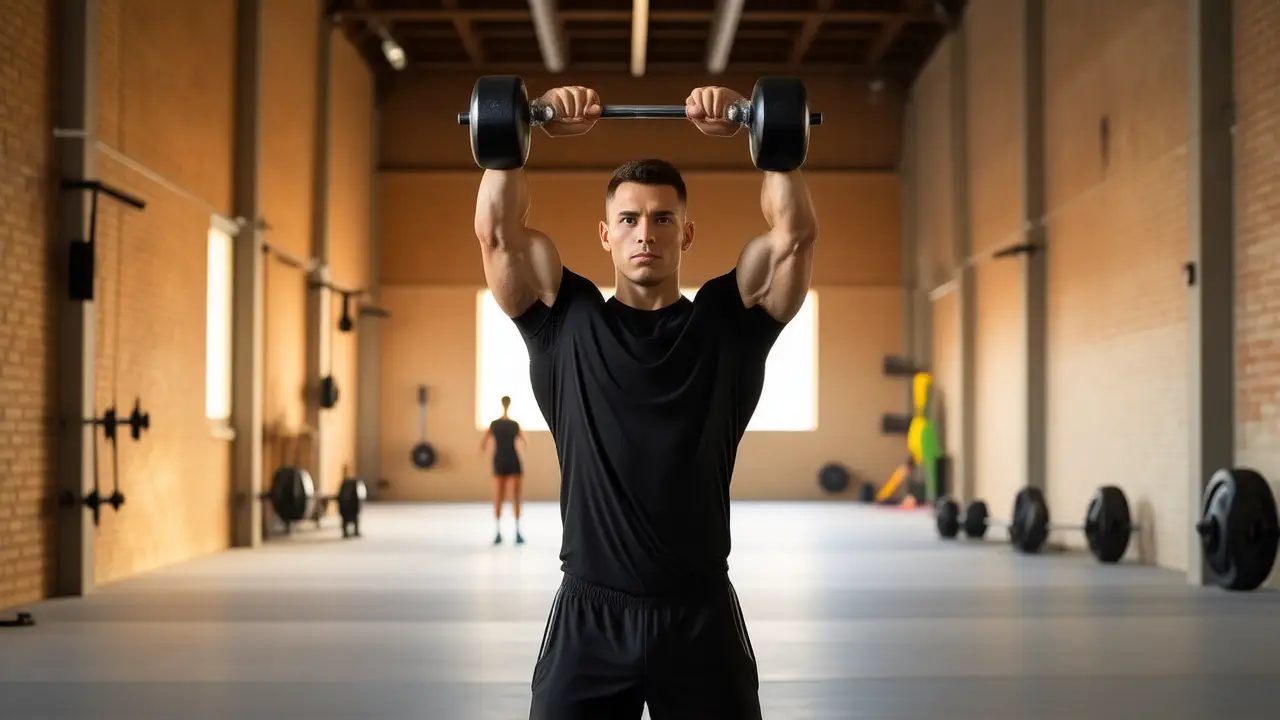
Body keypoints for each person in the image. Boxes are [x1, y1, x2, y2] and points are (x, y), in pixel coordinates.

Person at [473, 84, 818, 719]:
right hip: (588, 619)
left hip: (700, 617)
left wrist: (762, 135)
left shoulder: (727, 322)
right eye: (629, 219)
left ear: (686, 233)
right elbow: (498, 233)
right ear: (605, 235)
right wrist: (521, 135)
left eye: (663, 218)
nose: (645, 233)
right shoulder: (564, 321)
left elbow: (792, 236)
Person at [481, 395, 526, 544]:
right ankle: (517, 532)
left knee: (498, 496)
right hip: (513, 459)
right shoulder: (514, 424)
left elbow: (483, 443)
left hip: (499, 460)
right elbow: (524, 442)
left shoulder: (494, 424)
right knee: (515, 497)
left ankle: (498, 533)